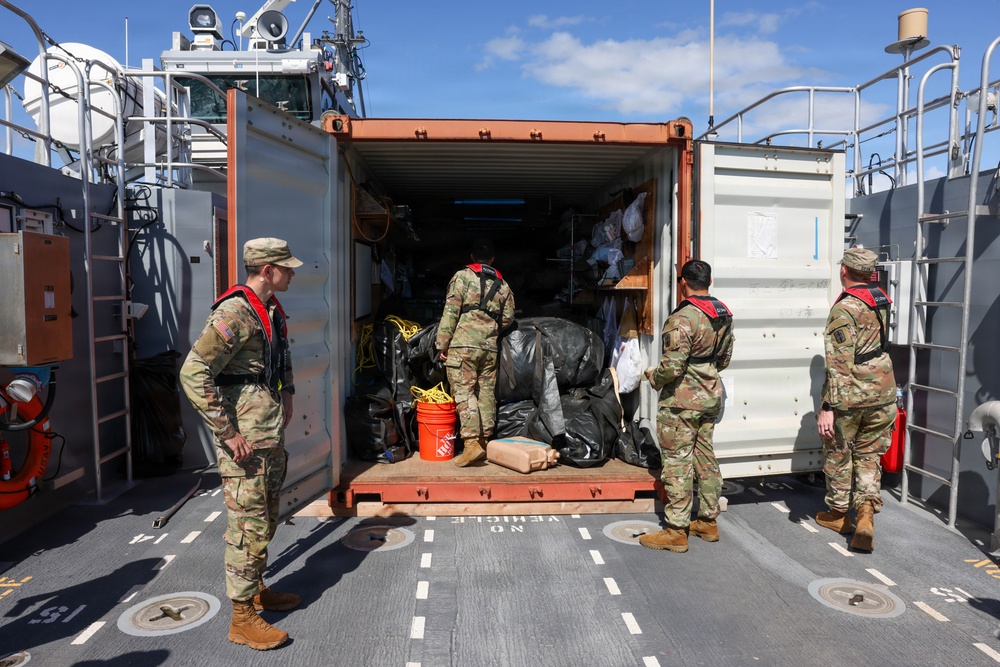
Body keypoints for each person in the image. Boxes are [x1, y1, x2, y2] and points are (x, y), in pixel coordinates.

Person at [180, 237, 303, 650]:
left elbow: (277, 356)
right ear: (267, 270)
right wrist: (227, 432)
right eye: (287, 267)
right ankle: (242, 618)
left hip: (266, 434)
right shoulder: (235, 311)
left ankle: (256, 589)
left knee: (265, 517)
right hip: (244, 441)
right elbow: (194, 372)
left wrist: (286, 393)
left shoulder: (267, 309)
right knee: (246, 526)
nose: (292, 272)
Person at [639, 260, 734, 553]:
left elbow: (672, 366)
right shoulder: (722, 313)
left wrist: (653, 377)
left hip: (681, 402)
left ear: (683, 283)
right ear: (710, 281)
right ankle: (707, 521)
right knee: (705, 458)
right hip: (709, 396)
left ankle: (677, 530)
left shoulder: (682, 318)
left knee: (677, 462)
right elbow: (725, 359)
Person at [814, 246, 897, 553]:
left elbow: (838, 362)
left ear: (844, 271)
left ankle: (838, 514)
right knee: (869, 455)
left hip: (851, 394)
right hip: (883, 391)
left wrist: (828, 408)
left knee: (837, 450)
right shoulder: (881, 299)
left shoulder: (845, 308)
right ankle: (865, 513)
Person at [435, 238, 515, 467]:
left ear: (471, 258)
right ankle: (484, 440)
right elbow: (509, 318)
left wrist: (443, 344)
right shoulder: (503, 285)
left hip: (463, 346)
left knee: (464, 391)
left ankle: (471, 444)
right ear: (492, 260)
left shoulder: (462, 277)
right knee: (486, 392)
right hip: (489, 348)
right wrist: (489, 329)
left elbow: (450, 312)